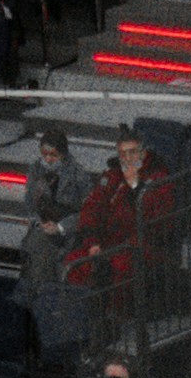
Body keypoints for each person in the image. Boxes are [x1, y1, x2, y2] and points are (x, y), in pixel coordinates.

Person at [65, 133, 177, 357]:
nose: (128, 157)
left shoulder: (158, 178)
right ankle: (84, 325)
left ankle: (115, 321)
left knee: (120, 266)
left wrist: (135, 187)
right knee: (75, 263)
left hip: (143, 245)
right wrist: (93, 242)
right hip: (108, 242)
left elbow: (157, 220)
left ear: (143, 152)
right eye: (123, 153)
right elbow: (93, 208)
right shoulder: (112, 176)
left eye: (133, 151)